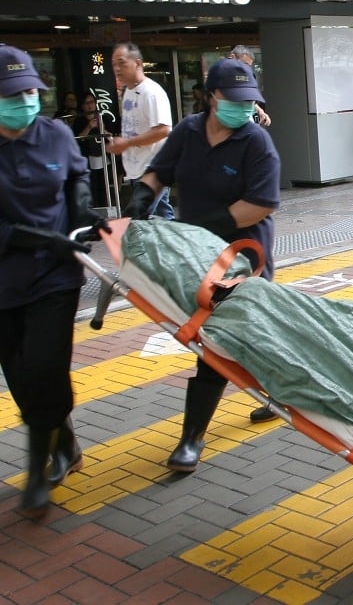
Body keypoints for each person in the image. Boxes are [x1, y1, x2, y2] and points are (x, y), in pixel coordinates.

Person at [123, 57, 282, 469]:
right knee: (245, 336)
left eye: (250, 101)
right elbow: (160, 171)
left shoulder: (256, 142)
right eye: (235, 99)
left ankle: (191, 438)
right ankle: (277, 392)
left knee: (215, 338)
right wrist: (144, 195)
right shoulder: (189, 131)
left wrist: (209, 223)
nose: (245, 109)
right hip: (194, 253)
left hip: (243, 257)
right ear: (212, 96)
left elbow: (261, 204)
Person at [0, 45, 106, 518]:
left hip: (55, 277)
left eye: (29, 91)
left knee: (44, 365)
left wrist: (82, 206)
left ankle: (38, 471)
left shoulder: (56, 134)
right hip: (4, 279)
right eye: (13, 94)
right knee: (20, 377)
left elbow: (76, 177)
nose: (25, 100)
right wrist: (32, 236)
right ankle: (64, 440)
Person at [107, 42, 175, 220]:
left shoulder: (151, 92)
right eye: (114, 64)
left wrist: (127, 143)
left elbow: (163, 129)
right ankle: (179, 244)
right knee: (163, 216)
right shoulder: (127, 91)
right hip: (136, 168)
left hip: (152, 168)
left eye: (121, 63)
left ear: (138, 63)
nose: (117, 69)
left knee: (138, 218)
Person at [76, 92, 113, 206]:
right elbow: (77, 139)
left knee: (104, 185)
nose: (89, 105)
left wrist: (103, 129)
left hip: (102, 156)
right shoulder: (79, 120)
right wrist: (89, 127)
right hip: (88, 157)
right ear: (82, 106)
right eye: (86, 103)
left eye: (92, 102)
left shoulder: (103, 117)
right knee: (92, 186)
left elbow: (111, 136)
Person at [227, 46, 271, 127]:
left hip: (245, 118)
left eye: (248, 66)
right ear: (233, 57)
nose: (245, 69)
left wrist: (260, 110)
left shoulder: (248, 74)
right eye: (244, 64)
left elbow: (248, 98)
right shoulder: (221, 74)